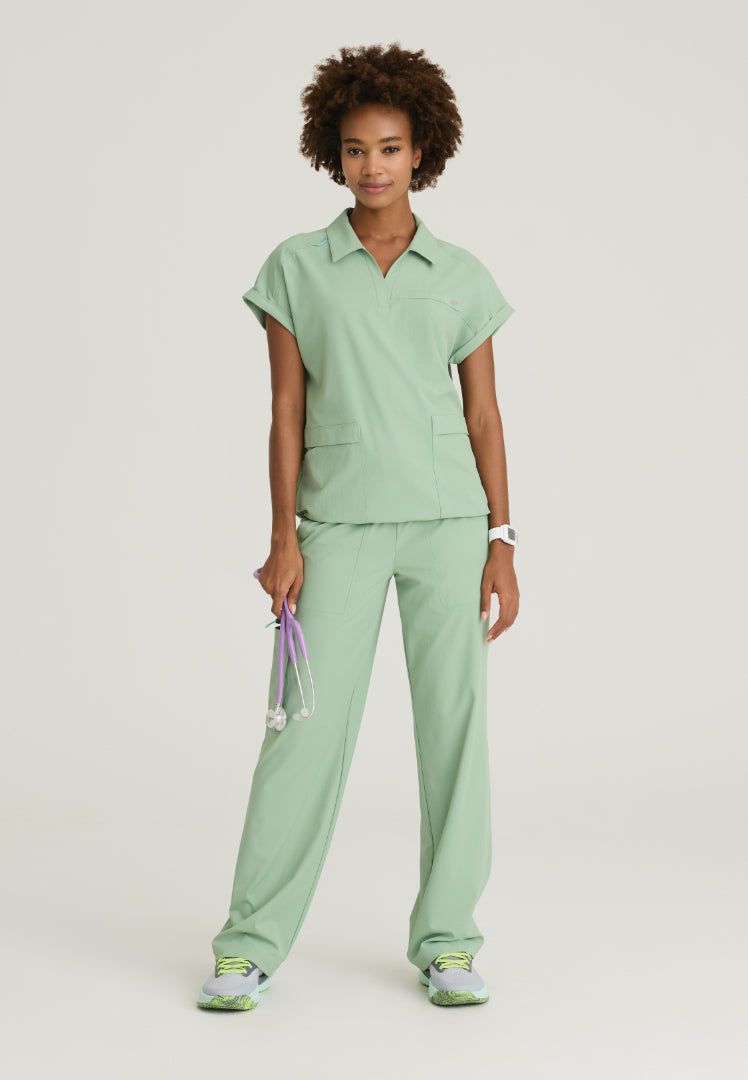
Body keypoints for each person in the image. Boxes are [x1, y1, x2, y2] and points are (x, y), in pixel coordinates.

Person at [197, 41, 520, 1012]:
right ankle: (248, 944)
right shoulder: (297, 267)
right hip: (335, 525)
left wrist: (502, 542)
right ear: (330, 154)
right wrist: (283, 537)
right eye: (353, 149)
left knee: (455, 733)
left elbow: (483, 417)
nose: (371, 166)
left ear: (422, 151)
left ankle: (449, 941)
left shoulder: (460, 274)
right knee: (301, 730)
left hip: (449, 525)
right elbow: (285, 409)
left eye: (389, 147)